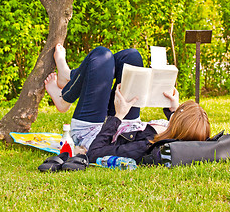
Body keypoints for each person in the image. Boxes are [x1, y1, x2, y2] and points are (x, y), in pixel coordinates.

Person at [45, 44, 210, 164]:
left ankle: (64, 97)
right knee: (132, 57)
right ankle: (68, 76)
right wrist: (173, 107)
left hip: (93, 131)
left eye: (180, 110)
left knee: (102, 55)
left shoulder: (144, 146)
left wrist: (119, 115)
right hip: (126, 122)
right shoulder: (175, 131)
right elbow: (187, 128)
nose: (178, 108)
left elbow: (96, 152)